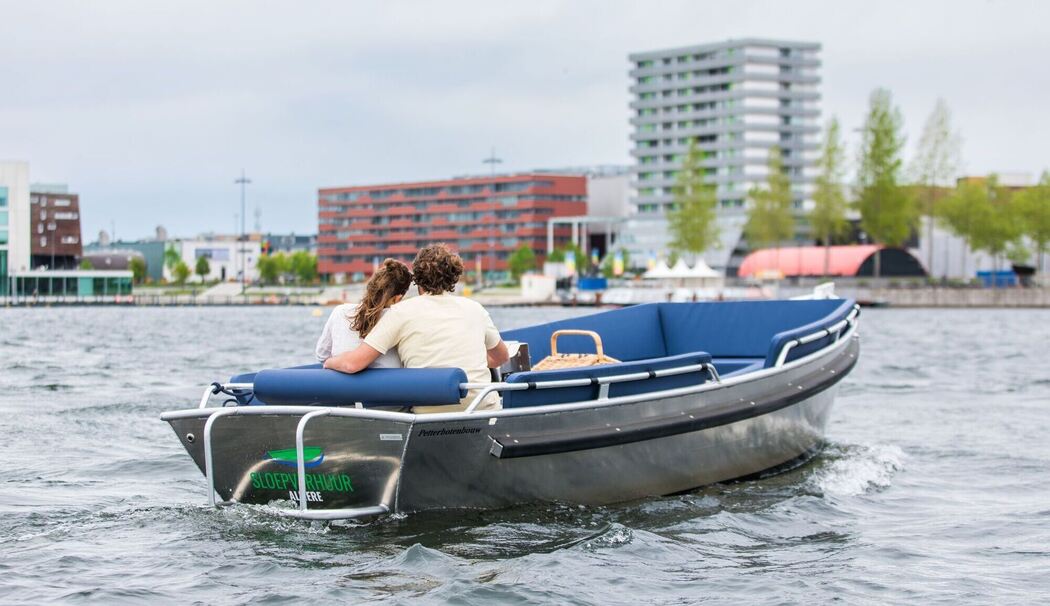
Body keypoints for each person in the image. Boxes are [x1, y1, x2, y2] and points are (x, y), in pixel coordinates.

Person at [324, 243, 510, 413]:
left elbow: (352, 364)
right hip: (482, 408)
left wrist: (328, 362)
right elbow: (501, 357)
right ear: (454, 276)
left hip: (430, 413)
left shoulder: (400, 312)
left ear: (417, 278)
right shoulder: (475, 308)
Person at [314, 258, 413, 368]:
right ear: (397, 298)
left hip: (341, 383)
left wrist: (332, 362)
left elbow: (322, 355)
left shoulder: (340, 311)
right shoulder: (397, 318)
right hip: (384, 384)